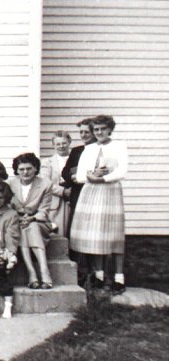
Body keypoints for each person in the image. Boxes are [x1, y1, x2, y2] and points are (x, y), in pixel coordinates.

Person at [70, 115, 128, 295]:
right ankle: (99, 275)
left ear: (110, 129)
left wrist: (102, 178)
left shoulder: (119, 146)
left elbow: (122, 171)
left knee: (113, 234)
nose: (99, 132)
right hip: (90, 192)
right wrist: (91, 175)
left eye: (103, 129)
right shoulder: (89, 149)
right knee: (95, 234)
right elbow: (79, 175)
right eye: (96, 129)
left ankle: (119, 278)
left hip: (110, 190)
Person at [8, 153, 54, 289]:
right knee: (24, 227)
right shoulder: (11, 183)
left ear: (35, 168)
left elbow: (44, 211)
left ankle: (43, 270)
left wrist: (32, 218)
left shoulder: (45, 184)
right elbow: (9, 207)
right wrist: (19, 218)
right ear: (16, 170)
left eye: (29, 168)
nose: (25, 172)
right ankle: (32, 272)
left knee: (31, 226)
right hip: (18, 221)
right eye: (21, 169)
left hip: (39, 221)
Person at [62, 118, 96, 285]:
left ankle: (95, 272)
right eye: (81, 132)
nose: (83, 135)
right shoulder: (77, 151)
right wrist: (72, 177)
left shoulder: (100, 150)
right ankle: (77, 272)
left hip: (95, 195)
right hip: (78, 194)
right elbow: (65, 172)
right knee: (76, 232)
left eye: (86, 132)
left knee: (93, 233)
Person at [40, 131, 72, 237]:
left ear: (69, 142)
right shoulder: (47, 162)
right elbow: (45, 183)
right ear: (53, 145)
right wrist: (63, 191)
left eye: (64, 143)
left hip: (74, 199)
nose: (61, 146)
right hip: (56, 202)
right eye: (58, 144)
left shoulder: (76, 159)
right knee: (58, 233)